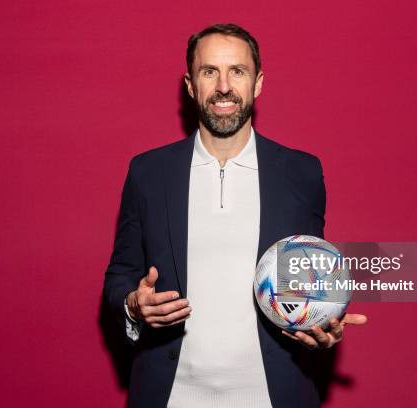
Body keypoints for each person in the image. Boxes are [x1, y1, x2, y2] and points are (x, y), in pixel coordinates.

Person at [103, 23, 367, 408]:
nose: (224, 86)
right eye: (209, 72)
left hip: (272, 395)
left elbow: (308, 279)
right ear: (191, 85)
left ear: (257, 83)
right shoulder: (148, 173)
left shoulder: (302, 173)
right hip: (172, 396)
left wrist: (320, 323)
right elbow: (120, 274)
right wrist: (133, 305)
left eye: (237, 71)